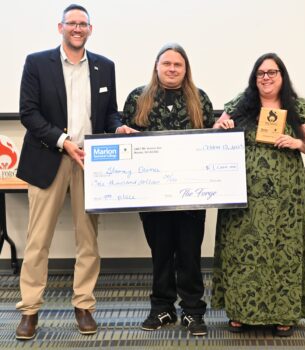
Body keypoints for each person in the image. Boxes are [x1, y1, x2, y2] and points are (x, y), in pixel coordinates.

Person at [15, 4, 133, 340]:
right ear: (60, 28)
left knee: (88, 239)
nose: (77, 29)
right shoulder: (37, 63)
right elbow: (28, 113)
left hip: (90, 162)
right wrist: (63, 141)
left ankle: (84, 305)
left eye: (83, 24)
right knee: (38, 241)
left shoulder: (104, 66)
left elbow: (109, 113)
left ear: (90, 30)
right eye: (72, 23)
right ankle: (29, 310)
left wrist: (119, 128)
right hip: (48, 157)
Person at [212, 52, 305, 337]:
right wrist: (222, 126)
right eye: (261, 73)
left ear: (281, 76)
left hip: (285, 195)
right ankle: (240, 311)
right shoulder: (241, 103)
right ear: (254, 77)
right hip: (242, 192)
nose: (266, 77)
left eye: (272, 72)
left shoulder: (295, 105)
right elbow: (214, 132)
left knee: (282, 251)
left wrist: (298, 142)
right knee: (242, 250)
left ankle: (283, 314)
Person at [122, 43, 215, 336]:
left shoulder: (200, 99)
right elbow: (126, 142)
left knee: (189, 252)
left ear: (185, 69)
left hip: (191, 194)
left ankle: (192, 311)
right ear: (157, 66)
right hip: (152, 194)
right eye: (167, 64)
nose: (172, 69)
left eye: (178, 65)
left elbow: (210, 144)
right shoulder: (138, 98)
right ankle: (161, 308)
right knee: (160, 251)